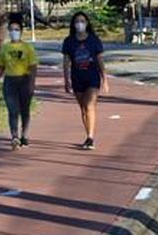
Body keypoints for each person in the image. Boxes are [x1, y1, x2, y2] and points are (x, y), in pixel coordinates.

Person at [62, 12, 108, 150]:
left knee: (89, 106)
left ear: (87, 23)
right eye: (77, 21)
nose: (79, 24)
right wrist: (66, 80)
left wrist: (104, 78)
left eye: (82, 21)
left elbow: (100, 60)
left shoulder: (94, 40)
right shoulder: (69, 42)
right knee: (83, 109)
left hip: (92, 78)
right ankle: (88, 135)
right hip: (77, 78)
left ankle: (91, 137)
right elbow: (66, 62)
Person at [0, 20, 39, 150]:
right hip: (10, 82)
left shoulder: (28, 48)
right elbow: (0, 67)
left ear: (21, 32)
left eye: (17, 29)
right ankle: (14, 136)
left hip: (24, 81)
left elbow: (33, 67)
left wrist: (32, 83)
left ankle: (24, 135)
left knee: (25, 110)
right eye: (11, 29)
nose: (14, 32)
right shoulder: (5, 48)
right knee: (13, 110)